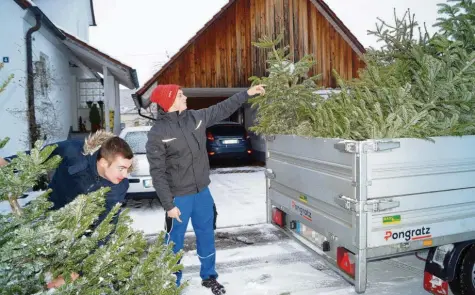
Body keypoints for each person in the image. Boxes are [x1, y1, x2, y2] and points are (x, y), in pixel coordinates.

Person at [145, 83, 266, 295]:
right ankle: (171, 283)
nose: (185, 97)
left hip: (202, 193)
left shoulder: (196, 117)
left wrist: (246, 94)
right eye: (180, 94)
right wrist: (169, 205)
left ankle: (209, 276)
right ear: (169, 100)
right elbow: (158, 172)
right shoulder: (158, 132)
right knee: (173, 242)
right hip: (178, 198)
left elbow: (222, 108)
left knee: (207, 235)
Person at [0, 130, 133, 221]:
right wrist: (8, 162)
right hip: (50, 209)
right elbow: (39, 156)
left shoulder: (120, 186)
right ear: (104, 162)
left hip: (80, 226)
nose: (125, 174)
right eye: (121, 168)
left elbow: (107, 221)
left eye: (127, 168)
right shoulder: (73, 151)